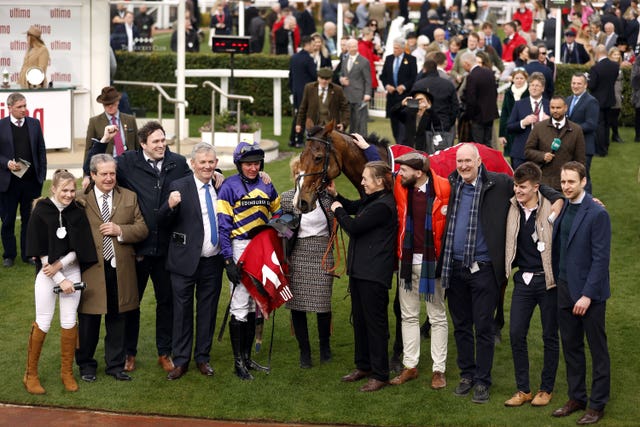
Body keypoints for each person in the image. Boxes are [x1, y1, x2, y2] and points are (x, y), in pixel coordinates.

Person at [439, 143, 562, 404]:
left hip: (484, 268)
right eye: (459, 161)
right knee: (461, 326)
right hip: (455, 265)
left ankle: (483, 380)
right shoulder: (452, 183)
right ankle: (467, 375)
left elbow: (530, 185)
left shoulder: (499, 183)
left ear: (479, 161)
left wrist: (560, 198)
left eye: (468, 161)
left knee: (483, 326)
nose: (463, 166)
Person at [88, 121, 192, 373]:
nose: (161, 145)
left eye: (163, 140)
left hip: (167, 248)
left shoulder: (177, 162)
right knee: (130, 303)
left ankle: (164, 352)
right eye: (155, 141)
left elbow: (197, 176)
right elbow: (94, 167)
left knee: (165, 302)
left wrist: (218, 172)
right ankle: (128, 353)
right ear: (143, 144)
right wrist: (102, 141)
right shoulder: (127, 162)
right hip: (137, 250)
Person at [23, 170, 98, 394]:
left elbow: (80, 249)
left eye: (72, 190)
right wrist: (58, 276)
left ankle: (66, 372)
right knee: (44, 321)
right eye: (64, 190)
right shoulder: (41, 211)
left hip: (71, 270)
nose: (68, 194)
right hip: (48, 274)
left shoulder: (77, 211)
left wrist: (62, 266)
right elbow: (41, 253)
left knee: (68, 320)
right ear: (53, 189)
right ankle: (30, 374)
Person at [75, 154, 148, 383]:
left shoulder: (129, 196)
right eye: (104, 174)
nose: (109, 178)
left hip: (120, 267)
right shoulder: (79, 199)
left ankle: (115, 365)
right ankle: (86, 365)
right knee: (89, 320)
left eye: (112, 173)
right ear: (93, 175)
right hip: (91, 268)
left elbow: (142, 229)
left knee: (118, 319)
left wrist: (120, 230)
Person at [157, 143, 225, 380]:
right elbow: (161, 220)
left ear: (216, 164)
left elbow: (249, 174)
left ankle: (203, 358)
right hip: (184, 261)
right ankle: (182, 360)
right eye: (202, 162)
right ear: (192, 164)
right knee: (182, 312)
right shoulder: (179, 186)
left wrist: (265, 173)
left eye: (211, 162)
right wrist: (170, 206)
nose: (207, 166)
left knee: (207, 311)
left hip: (213, 261)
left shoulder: (221, 184)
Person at [551, 161, 611, 425]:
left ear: (584, 181)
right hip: (564, 288)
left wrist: (587, 295)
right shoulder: (564, 206)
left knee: (597, 350)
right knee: (571, 347)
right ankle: (577, 397)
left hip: (590, 294)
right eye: (563, 182)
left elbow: (601, 259)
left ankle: (597, 405)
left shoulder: (597, 214)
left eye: (571, 182)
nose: (566, 186)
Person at [330, 161, 397, 392]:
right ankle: (364, 366)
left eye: (365, 178)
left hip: (374, 274)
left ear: (379, 181)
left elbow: (354, 226)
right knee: (359, 321)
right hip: (360, 272)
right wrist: (335, 195)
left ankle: (380, 374)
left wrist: (337, 210)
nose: (361, 182)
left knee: (375, 325)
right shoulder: (372, 200)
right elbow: (352, 206)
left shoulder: (384, 206)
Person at [217, 141, 281, 380]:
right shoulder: (228, 187)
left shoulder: (267, 184)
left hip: (262, 246)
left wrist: (278, 226)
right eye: (248, 164)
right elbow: (223, 227)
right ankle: (238, 363)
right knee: (241, 303)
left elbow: (277, 212)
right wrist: (227, 261)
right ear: (239, 164)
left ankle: (247, 358)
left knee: (255, 303)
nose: (253, 168)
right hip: (239, 246)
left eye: (256, 163)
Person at [390, 152, 450, 390]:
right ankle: (410, 366)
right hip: (406, 262)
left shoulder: (444, 188)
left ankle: (439, 369)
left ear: (419, 172)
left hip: (431, 264)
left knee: (437, 316)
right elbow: (375, 170)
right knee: (408, 315)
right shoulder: (401, 184)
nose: (399, 173)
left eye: (404, 170)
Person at [503, 162, 559, 408]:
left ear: (537, 187)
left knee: (549, 336)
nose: (518, 191)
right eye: (516, 186)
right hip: (523, 281)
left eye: (523, 187)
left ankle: (546, 389)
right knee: (516, 333)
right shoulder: (512, 206)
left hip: (548, 282)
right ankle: (523, 389)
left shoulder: (552, 206)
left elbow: (570, 199)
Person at [0, 92, 47, 268]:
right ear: (9, 107)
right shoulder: (1, 125)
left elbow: (41, 150)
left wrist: (41, 176)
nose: (24, 110)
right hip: (8, 183)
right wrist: (6, 163)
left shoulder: (34, 124)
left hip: (31, 182)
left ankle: (28, 254)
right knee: (8, 220)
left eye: (25, 106)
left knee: (29, 220)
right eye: (19, 107)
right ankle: (9, 255)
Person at [83, 87, 139, 190]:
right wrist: (86, 175)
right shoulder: (94, 122)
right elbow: (88, 150)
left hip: (129, 167)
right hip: (106, 167)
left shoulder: (129, 119)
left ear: (118, 102)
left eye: (112, 103)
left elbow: (137, 145)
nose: (109, 107)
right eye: (106, 104)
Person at [525, 97, 586, 191]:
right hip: (543, 181)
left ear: (565, 108)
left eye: (558, 108)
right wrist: (542, 156)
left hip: (566, 183)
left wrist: (577, 180)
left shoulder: (576, 130)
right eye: (552, 108)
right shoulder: (539, 127)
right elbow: (528, 151)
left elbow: (580, 159)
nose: (555, 110)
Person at [507, 72, 550, 169]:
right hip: (521, 152)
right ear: (529, 87)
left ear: (542, 88)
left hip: (542, 151)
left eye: (537, 85)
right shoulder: (519, 104)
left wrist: (549, 120)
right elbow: (509, 127)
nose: (534, 88)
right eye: (532, 85)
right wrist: (523, 122)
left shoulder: (549, 105)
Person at [411, 59, 459, 146]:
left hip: (424, 125)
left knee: (424, 154)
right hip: (444, 124)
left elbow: (413, 107)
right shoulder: (448, 84)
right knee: (443, 153)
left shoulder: (419, 85)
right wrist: (449, 122)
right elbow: (455, 107)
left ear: (424, 69)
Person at [566, 73, 599, 194]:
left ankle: (588, 206)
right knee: (572, 178)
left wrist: (570, 128)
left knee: (583, 178)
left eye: (579, 83)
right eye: (573, 83)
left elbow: (591, 124)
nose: (575, 86)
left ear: (585, 85)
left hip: (584, 147)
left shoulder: (591, 101)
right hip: (569, 147)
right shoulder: (568, 100)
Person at [380, 38, 417, 144]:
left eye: (396, 48)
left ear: (402, 48)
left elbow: (414, 77)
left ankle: (405, 143)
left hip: (405, 96)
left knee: (405, 123)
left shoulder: (411, 59)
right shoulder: (389, 59)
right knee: (394, 122)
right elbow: (383, 76)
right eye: (393, 48)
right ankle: (397, 142)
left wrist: (404, 86)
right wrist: (387, 85)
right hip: (392, 97)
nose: (394, 50)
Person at [460, 51, 498, 147]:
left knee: (478, 146)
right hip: (490, 115)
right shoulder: (489, 73)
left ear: (466, 63)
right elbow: (495, 93)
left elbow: (471, 100)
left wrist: (469, 116)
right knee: (488, 144)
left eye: (463, 65)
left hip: (477, 117)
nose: (463, 68)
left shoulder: (472, 77)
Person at [296, 67, 350, 133]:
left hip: (331, 127)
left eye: (327, 79)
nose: (324, 81)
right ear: (318, 78)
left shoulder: (337, 90)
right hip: (313, 126)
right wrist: (298, 123)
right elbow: (303, 107)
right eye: (322, 78)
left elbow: (345, 108)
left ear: (331, 79)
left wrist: (344, 123)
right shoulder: (309, 88)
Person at [589, 44, 619, 157]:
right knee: (607, 124)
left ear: (597, 54)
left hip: (598, 100)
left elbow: (592, 86)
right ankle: (606, 145)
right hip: (610, 99)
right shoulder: (615, 66)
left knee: (600, 125)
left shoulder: (595, 68)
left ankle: (601, 150)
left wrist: (588, 80)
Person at [288, 36, 317, 147]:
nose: (313, 47)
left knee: (297, 115)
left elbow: (290, 76)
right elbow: (314, 75)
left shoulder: (294, 57)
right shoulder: (308, 59)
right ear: (307, 45)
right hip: (306, 92)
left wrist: (292, 89)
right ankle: (299, 140)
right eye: (312, 45)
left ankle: (292, 139)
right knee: (303, 116)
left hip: (296, 91)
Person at [340, 39, 372, 136]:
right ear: (347, 48)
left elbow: (368, 79)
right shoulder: (344, 60)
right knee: (349, 121)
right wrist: (341, 80)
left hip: (360, 95)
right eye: (351, 46)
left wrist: (367, 94)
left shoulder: (364, 61)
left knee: (360, 122)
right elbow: (341, 74)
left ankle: (364, 142)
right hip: (347, 95)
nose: (353, 48)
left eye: (355, 46)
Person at [499, 68, 529, 159]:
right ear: (513, 79)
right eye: (517, 78)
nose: (519, 80)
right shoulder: (509, 93)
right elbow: (504, 113)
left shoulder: (529, 92)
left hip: (526, 129)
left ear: (526, 79)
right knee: (513, 156)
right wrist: (502, 134)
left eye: (521, 78)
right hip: (511, 129)